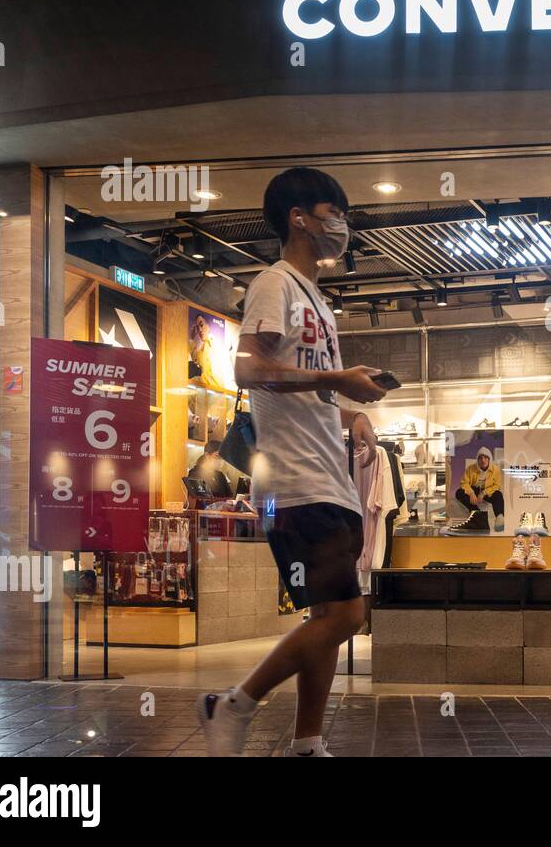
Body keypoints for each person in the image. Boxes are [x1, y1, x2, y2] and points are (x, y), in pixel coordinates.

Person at [196, 167, 385, 758]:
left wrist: (349, 404)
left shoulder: (317, 301)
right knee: (349, 616)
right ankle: (234, 703)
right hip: (297, 482)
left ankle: (307, 742)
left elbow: (309, 392)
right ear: (299, 217)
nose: (343, 227)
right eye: (335, 213)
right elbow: (247, 371)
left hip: (330, 478)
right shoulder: (273, 283)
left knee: (328, 613)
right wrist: (337, 377)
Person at [453, 446, 505, 532]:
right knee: (459, 492)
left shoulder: (496, 469)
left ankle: (499, 518)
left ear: (489, 459)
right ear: (477, 459)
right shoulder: (470, 468)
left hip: (488, 492)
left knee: (498, 494)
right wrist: (471, 493)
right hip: (475, 490)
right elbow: (464, 482)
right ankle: (477, 514)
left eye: (485, 457)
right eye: (480, 458)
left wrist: (484, 493)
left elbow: (497, 485)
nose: (483, 460)